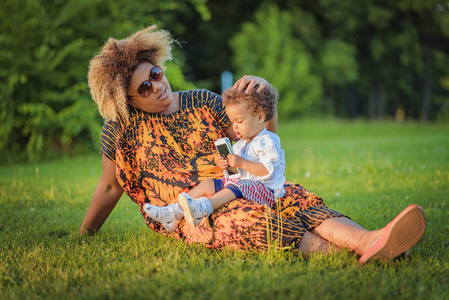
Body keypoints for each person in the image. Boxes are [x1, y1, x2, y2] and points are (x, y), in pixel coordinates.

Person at [80, 25, 427, 265]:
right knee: (246, 221)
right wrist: (85, 236)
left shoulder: (201, 100)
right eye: (143, 88)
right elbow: (110, 186)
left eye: (155, 74)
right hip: (187, 213)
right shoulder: (120, 132)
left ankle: (369, 240)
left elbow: (261, 138)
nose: (156, 85)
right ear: (126, 101)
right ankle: (357, 257)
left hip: (237, 185)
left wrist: (264, 100)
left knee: (290, 194)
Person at [144, 83, 286, 230]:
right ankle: (173, 212)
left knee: (238, 186)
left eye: (239, 121)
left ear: (260, 117)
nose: (235, 127)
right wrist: (228, 166)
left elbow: (268, 172)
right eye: (232, 122)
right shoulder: (242, 144)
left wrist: (241, 163)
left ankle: (204, 208)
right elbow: (240, 173)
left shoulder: (267, 140)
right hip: (246, 186)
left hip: (267, 192)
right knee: (209, 183)